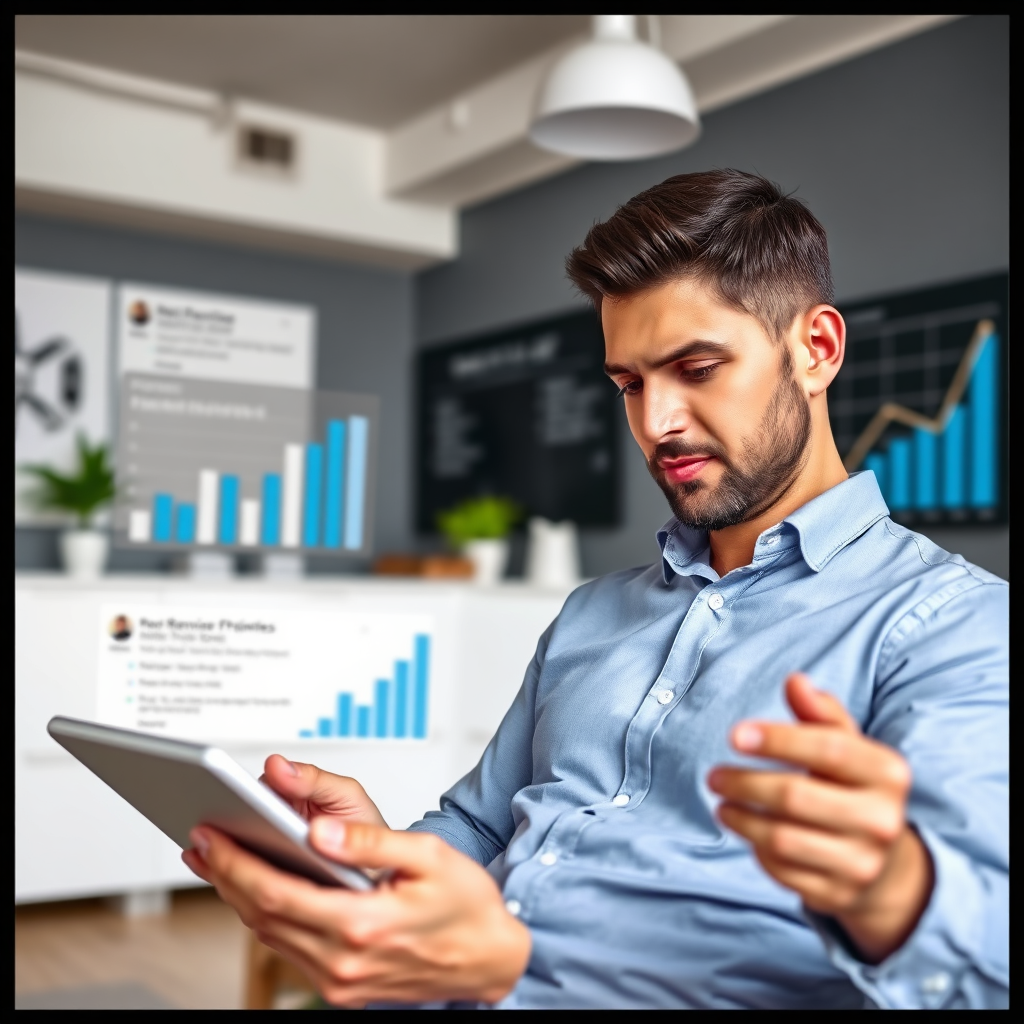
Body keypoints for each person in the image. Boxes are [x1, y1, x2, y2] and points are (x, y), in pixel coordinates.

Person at [182, 170, 1008, 1009]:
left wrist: (896, 894)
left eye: (696, 367)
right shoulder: (592, 613)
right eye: (630, 384)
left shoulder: (954, 628)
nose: (657, 423)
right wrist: (376, 858)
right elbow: (478, 826)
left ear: (816, 350)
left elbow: (982, 970)